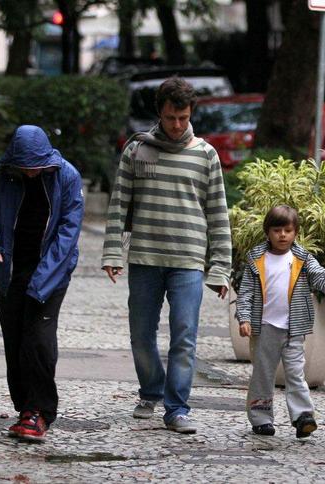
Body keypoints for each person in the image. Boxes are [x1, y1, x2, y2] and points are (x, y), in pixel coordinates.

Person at [101, 76, 231, 433]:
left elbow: (218, 213)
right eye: (172, 117)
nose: (177, 125)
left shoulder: (206, 155)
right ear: (160, 112)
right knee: (141, 335)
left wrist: (220, 268)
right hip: (144, 257)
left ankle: (177, 408)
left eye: (184, 118)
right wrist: (112, 251)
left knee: (184, 335)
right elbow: (118, 204)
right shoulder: (137, 150)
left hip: (188, 260)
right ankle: (151, 388)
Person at [0, 125, 85, 442]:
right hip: (11, 268)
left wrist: (42, 280)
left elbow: (68, 233)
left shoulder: (67, 176)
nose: (31, 173)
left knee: (38, 339)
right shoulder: (0, 172)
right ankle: (25, 408)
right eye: (26, 168)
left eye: (36, 167)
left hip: (51, 269)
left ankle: (40, 412)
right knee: (15, 339)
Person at [235, 205, 325, 438]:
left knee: (295, 372)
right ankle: (261, 418)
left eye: (287, 230)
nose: (282, 235)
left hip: (293, 329)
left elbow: (321, 279)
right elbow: (246, 292)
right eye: (277, 230)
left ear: (296, 233)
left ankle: (303, 417)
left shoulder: (302, 258)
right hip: (264, 328)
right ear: (267, 232)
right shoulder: (256, 258)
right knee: (263, 373)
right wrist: (244, 318)